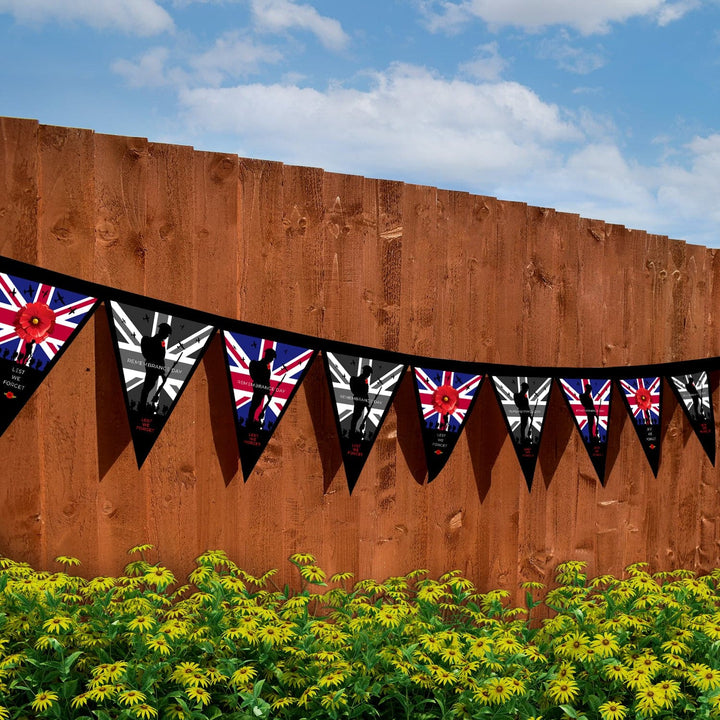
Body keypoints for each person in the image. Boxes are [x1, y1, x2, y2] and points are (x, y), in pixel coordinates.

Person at [139, 323, 172, 412]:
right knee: (148, 387)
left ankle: (143, 405)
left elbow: (161, 359)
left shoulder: (161, 342)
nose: (167, 336)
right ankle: (142, 407)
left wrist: (162, 374)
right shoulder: (157, 341)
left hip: (154, 368)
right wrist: (162, 374)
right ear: (163, 332)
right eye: (167, 334)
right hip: (153, 368)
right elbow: (159, 359)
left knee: (148, 386)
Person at [248, 348, 276, 426]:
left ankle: (251, 420)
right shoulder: (262, 365)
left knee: (256, 405)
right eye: (272, 357)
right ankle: (250, 421)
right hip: (259, 390)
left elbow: (266, 382)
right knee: (254, 405)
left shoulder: (267, 366)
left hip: (261, 390)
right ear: (268, 356)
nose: (272, 360)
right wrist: (268, 393)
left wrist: (268, 394)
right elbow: (265, 381)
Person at [349, 365, 373, 436]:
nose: (369, 375)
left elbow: (365, 393)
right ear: (365, 372)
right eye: (368, 373)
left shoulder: (364, 380)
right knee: (356, 416)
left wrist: (367, 405)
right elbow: (363, 393)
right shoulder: (361, 380)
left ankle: (353, 431)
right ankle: (352, 432)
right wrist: (366, 404)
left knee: (357, 415)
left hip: (361, 401)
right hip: (360, 401)